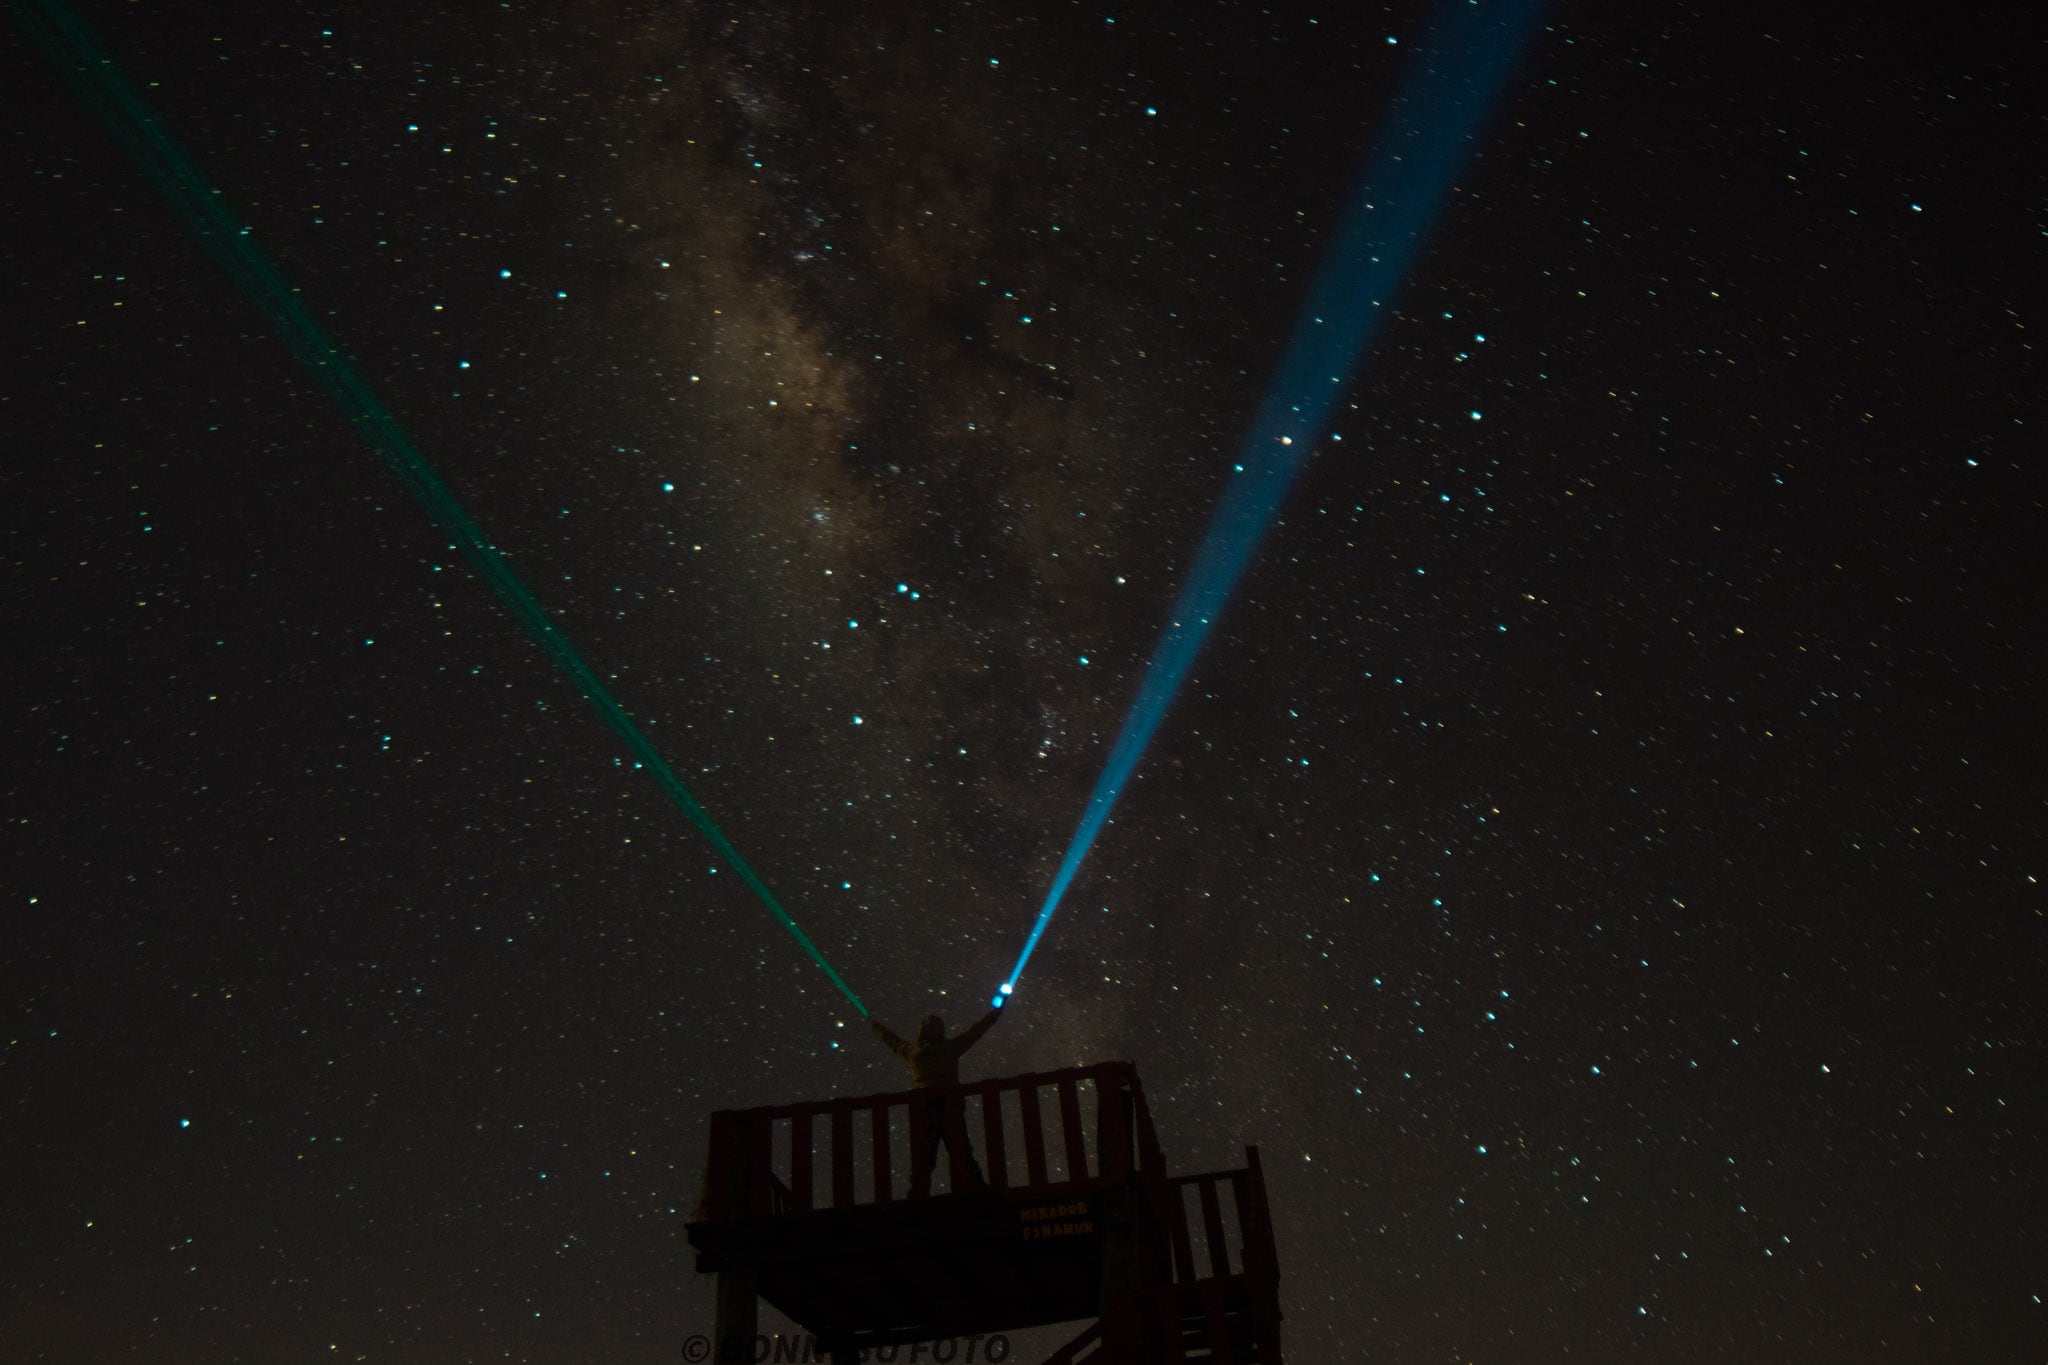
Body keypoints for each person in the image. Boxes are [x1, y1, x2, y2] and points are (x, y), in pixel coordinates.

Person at [870, 1006, 1003, 1189]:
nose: (927, 1024)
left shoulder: (912, 1051)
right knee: (958, 1152)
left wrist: (874, 1024)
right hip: (949, 1107)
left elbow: (891, 1039)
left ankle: (919, 1193)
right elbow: (976, 1031)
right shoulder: (950, 1047)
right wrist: (996, 1011)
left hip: (928, 1107)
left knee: (927, 1155)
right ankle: (977, 1189)